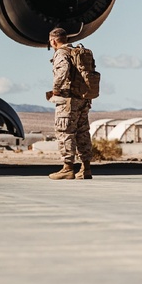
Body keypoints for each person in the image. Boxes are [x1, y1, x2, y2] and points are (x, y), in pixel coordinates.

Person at [45, 27, 93, 180]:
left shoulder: (61, 54)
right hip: (82, 99)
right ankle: (86, 168)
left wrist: (56, 89)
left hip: (68, 100)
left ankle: (68, 168)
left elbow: (63, 69)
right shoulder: (76, 52)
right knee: (82, 132)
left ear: (53, 41)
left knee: (65, 132)